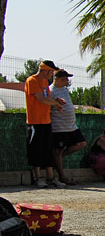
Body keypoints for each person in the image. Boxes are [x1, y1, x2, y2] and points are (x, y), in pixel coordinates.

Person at [24, 59, 66, 188]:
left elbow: (47, 98)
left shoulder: (44, 82)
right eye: (51, 72)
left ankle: (51, 178)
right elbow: (41, 99)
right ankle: (38, 178)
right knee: (36, 150)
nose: (52, 74)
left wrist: (56, 101)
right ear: (46, 71)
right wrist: (55, 103)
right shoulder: (32, 80)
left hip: (46, 121)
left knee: (48, 150)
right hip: (35, 122)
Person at [49, 69, 86, 186]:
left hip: (71, 126)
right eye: (65, 79)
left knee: (81, 143)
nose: (67, 81)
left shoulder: (64, 89)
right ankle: (62, 176)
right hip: (59, 127)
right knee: (57, 150)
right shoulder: (51, 91)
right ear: (58, 79)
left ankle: (57, 158)